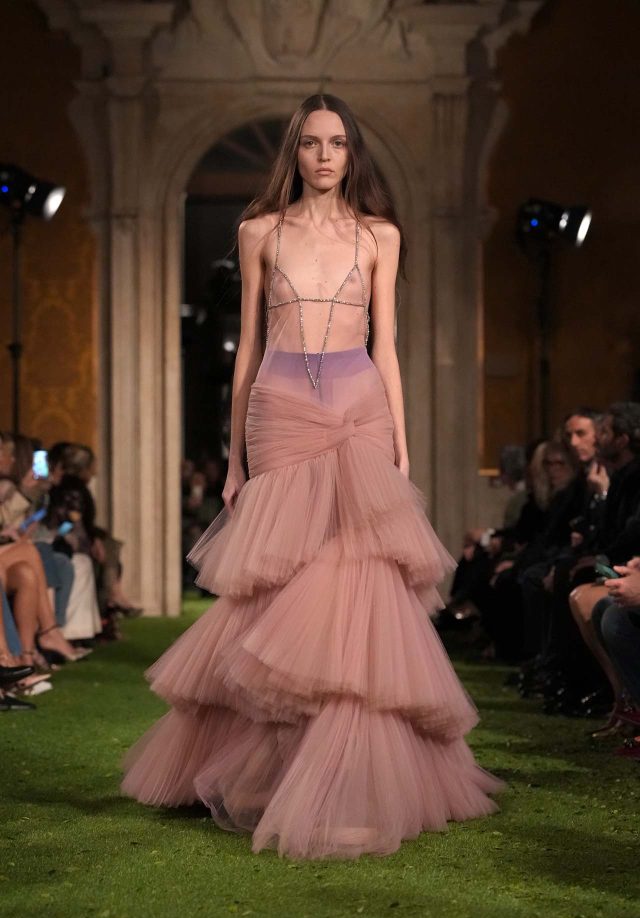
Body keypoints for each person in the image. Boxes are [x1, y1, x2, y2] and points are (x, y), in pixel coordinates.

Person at [121, 94, 504, 859]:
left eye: (337, 143)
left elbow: (386, 345)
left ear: (352, 153)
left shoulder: (380, 235)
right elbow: (247, 347)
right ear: (294, 152)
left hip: (359, 408)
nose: (324, 156)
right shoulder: (259, 231)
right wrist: (234, 456)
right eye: (311, 143)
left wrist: (401, 442)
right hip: (280, 411)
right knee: (280, 584)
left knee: (355, 582)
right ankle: (264, 771)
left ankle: (348, 775)